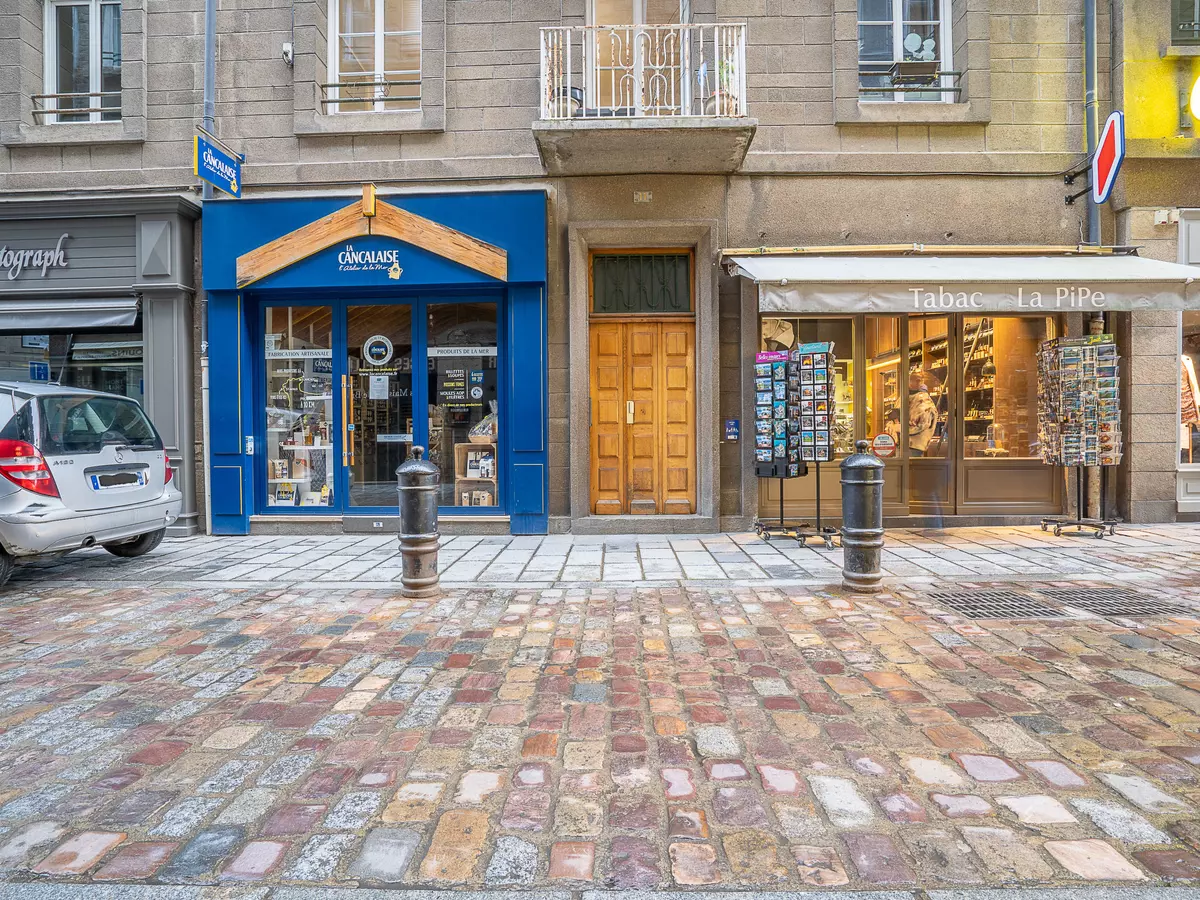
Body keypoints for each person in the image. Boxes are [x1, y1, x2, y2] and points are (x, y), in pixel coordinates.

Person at [908, 372, 938, 457]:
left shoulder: (923, 399)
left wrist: (900, 428)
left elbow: (922, 424)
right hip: (905, 444)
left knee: (912, 464)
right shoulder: (906, 397)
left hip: (914, 445)